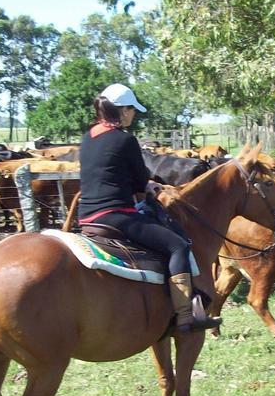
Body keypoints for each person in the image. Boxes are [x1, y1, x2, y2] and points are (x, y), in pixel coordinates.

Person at [77, 83, 220, 333]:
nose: (133, 115)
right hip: (117, 215)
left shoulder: (87, 138)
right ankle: (186, 316)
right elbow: (137, 180)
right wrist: (150, 188)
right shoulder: (125, 139)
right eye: (132, 110)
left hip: (87, 216)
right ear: (122, 111)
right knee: (178, 245)